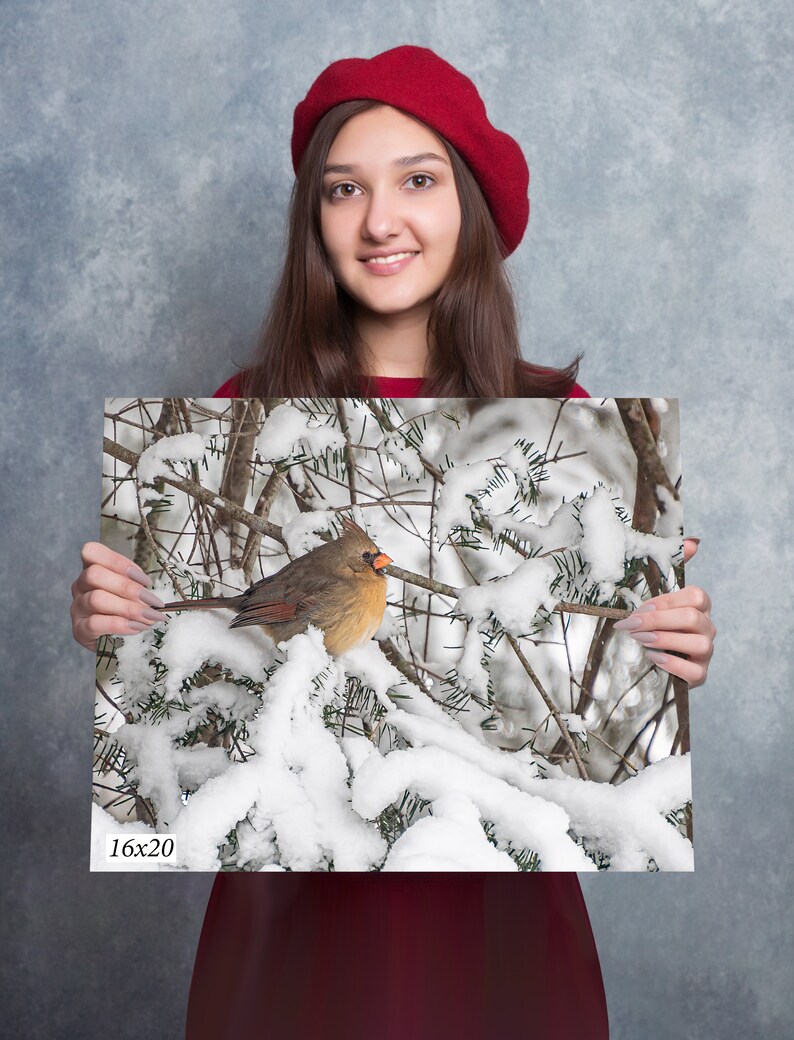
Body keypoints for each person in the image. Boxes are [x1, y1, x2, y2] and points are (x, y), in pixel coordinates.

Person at [71, 46, 715, 1038]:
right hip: (293, 906)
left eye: (416, 179)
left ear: (468, 207)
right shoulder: (244, 412)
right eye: (343, 189)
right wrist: (121, 620)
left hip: (498, 910)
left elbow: (608, 635)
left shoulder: (556, 418)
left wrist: (667, 642)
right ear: (314, 225)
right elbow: (210, 639)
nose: (379, 219)